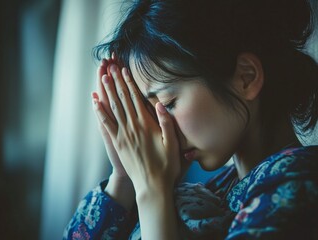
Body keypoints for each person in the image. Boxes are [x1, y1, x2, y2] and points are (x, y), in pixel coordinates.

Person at [63, 0, 318, 239]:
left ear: (246, 78)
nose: (162, 130)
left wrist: (152, 192)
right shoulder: (219, 188)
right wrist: (126, 176)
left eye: (167, 104)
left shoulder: (299, 187)